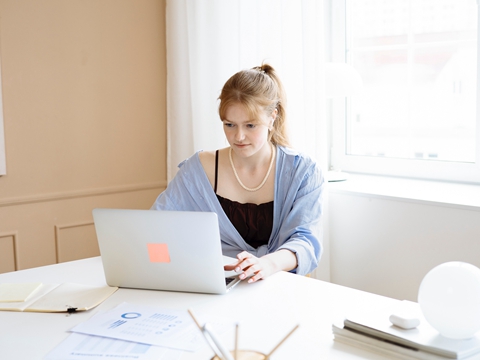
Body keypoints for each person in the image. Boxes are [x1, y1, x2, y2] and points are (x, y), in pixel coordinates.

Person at [151, 63, 324, 283]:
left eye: (250, 125)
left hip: (279, 284)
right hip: (213, 286)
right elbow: (156, 225)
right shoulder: (198, 169)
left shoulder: (303, 172)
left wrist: (267, 264)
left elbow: (306, 242)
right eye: (230, 124)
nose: (238, 136)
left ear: (273, 116)